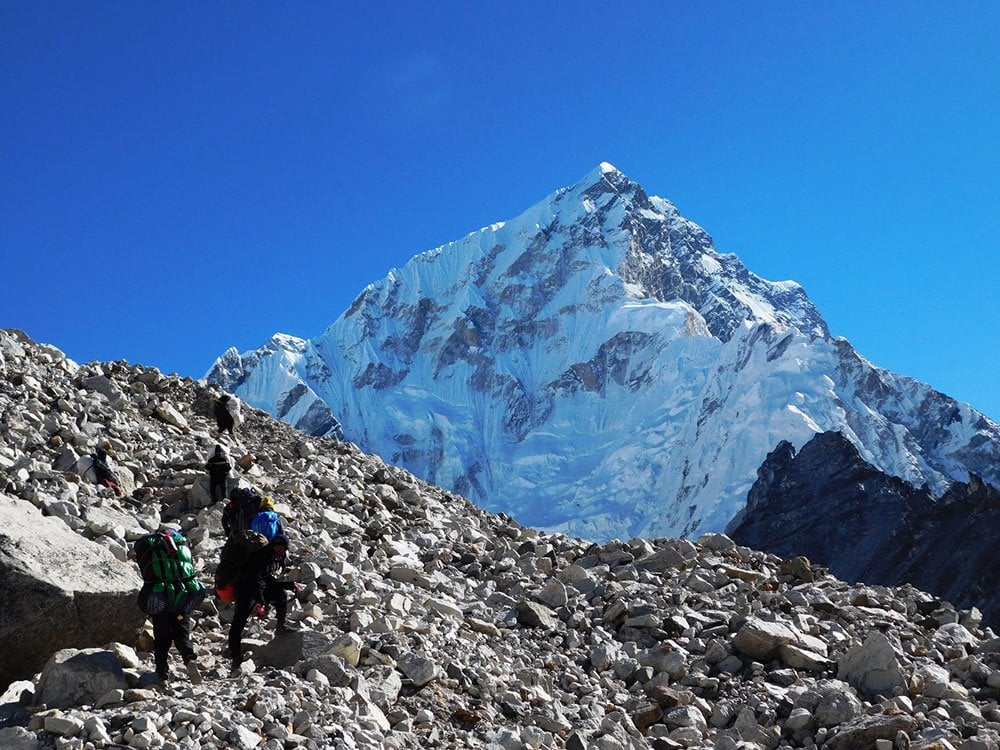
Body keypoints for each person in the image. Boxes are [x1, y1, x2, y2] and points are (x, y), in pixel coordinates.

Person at [134, 528, 206, 685]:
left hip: (162, 600)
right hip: (183, 598)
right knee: (182, 633)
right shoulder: (181, 546)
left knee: (162, 639)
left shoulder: (154, 550)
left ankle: (162, 673)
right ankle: (189, 659)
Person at [228, 533, 300, 672]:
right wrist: (260, 603)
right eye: (281, 548)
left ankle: (281, 626)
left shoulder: (273, 557)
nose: (282, 551)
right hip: (245, 591)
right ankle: (236, 657)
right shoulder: (262, 557)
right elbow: (254, 581)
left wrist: (290, 585)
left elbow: (268, 581)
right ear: (275, 545)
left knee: (281, 595)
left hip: (258, 590)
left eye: (284, 549)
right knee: (237, 626)